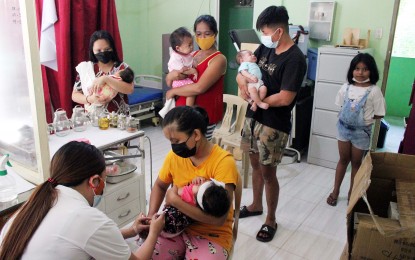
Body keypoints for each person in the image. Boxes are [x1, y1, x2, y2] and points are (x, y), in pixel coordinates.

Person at [0, 141, 165, 260]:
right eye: (104, 179)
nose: (104, 185)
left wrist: (131, 230)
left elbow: (80, 239)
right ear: (94, 181)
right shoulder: (87, 218)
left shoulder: (33, 207)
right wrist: (154, 233)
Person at [236, 6, 307, 243]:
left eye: (266, 32)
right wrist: (242, 84)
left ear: (279, 30)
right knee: (255, 164)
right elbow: (244, 69)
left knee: (268, 173)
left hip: (274, 124)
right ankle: (256, 205)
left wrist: (258, 99)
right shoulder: (267, 47)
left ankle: (271, 219)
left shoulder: (295, 58)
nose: (264, 37)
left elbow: (286, 97)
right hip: (253, 117)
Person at [147, 106, 239, 259]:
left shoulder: (223, 162)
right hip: (176, 227)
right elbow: (160, 185)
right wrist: (151, 216)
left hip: (211, 234)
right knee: (149, 253)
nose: (174, 146)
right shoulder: (174, 157)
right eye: (170, 141)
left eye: (176, 141)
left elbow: (219, 219)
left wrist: (175, 201)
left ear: (196, 134)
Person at [327, 53, 386, 206]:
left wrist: (365, 120)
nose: (360, 73)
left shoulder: (374, 91)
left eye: (365, 69)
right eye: (357, 69)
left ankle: (351, 194)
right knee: (342, 160)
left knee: (356, 163)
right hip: (343, 129)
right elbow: (341, 105)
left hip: (361, 133)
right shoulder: (346, 87)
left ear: (371, 71)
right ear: (352, 70)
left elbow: (379, 114)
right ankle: (335, 191)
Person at [165, 15, 227, 141]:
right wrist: (171, 75)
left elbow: (199, 88)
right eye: (198, 34)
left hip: (204, 116)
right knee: (183, 152)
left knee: (200, 153)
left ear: (215, 34)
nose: (202, 38)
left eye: (207, 34)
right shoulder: (192, 55)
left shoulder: (219, 59)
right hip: (182, 114)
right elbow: (170, 80)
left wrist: (173, 91)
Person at [72, 30, 134, 114]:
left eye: (107, 49)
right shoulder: (86, 68)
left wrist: (106, 79)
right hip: (93, 119)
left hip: (119, 119)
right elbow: (75, 95)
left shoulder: (122, 67)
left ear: (112, 48)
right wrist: (89, 99)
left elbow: (130, 89)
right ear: (92, 51)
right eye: (98, 50)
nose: (103, 53)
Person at [162, 176, 231, 238]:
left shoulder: (187, 196)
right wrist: (198, 179)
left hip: (166, 225)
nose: (201, 183)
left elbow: (172, 192)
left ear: (195, 200)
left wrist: (174, 193)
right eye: (208, 182)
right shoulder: (205, 200)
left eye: (199, 186)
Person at [168, 27, 198, 106]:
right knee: (191, 92)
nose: (192, 47)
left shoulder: (186, 54)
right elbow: (182, 71)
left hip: (183, 79)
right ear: (178, 48)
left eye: (192, 44)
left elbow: (192, 59)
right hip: (178, 81)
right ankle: (188, 109)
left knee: (190, 93)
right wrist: (194, 71)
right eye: (189, 45)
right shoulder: (175, 57)